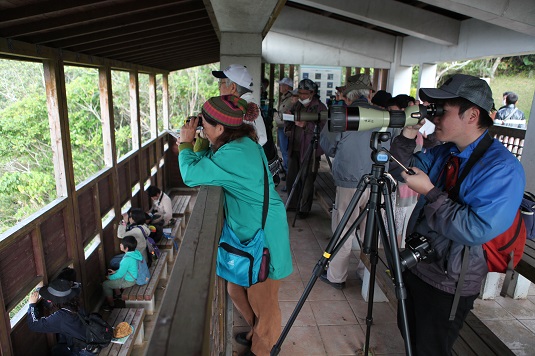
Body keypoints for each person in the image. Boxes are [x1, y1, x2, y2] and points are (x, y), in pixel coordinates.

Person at [389, 74, 525, 355]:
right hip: (419, 262)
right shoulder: (445, 152)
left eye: (442, 109)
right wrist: (407, 135)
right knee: (410, 333)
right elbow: (400, 170)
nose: (434, 117)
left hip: (450, 280)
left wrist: (430, 192)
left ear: (472, 114)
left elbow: (475, 229)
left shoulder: (502, 168)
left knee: (432, 347)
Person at [178, 95, 293, 356]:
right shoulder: (236, 142)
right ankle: (257, 330)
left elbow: (191, 174)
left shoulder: (235, 152)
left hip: (263, 236)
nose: (201, 128)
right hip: (252, 232)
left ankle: (262, 350)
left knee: (264, 302)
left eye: (204, 125)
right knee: (234, 288)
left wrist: (185, 143)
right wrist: (199, 141)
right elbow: (205, 161)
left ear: (220, 128)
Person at [319, 74, 377, 289]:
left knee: (344, 229)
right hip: (378, 183)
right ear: (369, 93)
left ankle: (336, 276)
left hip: (349, 183)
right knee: (371, 232)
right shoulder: (384, 115)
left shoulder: (341, 115)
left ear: (346, 96)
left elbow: (328, 144)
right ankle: (366, 275)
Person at [285, 78, 327, 218]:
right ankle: (292, 204)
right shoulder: (297, 105)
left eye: (304, 93)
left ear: (312, 92)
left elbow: (324, 129)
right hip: (294, 147)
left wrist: (306, 126)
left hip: (310, 150)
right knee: (291, 177)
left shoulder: (320, 108)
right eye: (300, 93)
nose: (302, 96)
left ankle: (303, 209)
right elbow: (288, 123)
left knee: (307, 180)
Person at [27, 279, 92, 355]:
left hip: (82, 351)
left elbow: (34, 325)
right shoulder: (74, 304)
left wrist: (32, 305)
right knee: (58, 346)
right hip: (89, 342)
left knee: (56, 351)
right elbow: (54, 305)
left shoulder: (61, 317)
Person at [212, 64, 268, 146]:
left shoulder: (245, 107)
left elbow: (261, 139)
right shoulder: (241, 104)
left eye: (221, 83)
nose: (219, 87)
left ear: (233, 87)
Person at [102, 236, 140, 311]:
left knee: (105, 284)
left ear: (126, 248)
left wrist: (109, 278)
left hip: (129, 281)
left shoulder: (126, 259)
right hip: (134, 276)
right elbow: (126, 269)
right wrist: (115, 272)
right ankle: (118, 295)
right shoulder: (135, 253)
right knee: (114, 275)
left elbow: (120, 275)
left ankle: (111, 305)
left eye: (121, 244)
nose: (120, 245)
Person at [273, 77, 294, 177]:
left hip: (286, 127)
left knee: (285, 152)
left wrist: (276, 115)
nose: (280, 87)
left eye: (282, 85)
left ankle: (288, 173)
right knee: (283, 150)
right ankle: (286, 169)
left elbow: (286, 116)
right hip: (282, 127)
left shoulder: (290, 99)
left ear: (287, 87)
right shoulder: (285, 98)